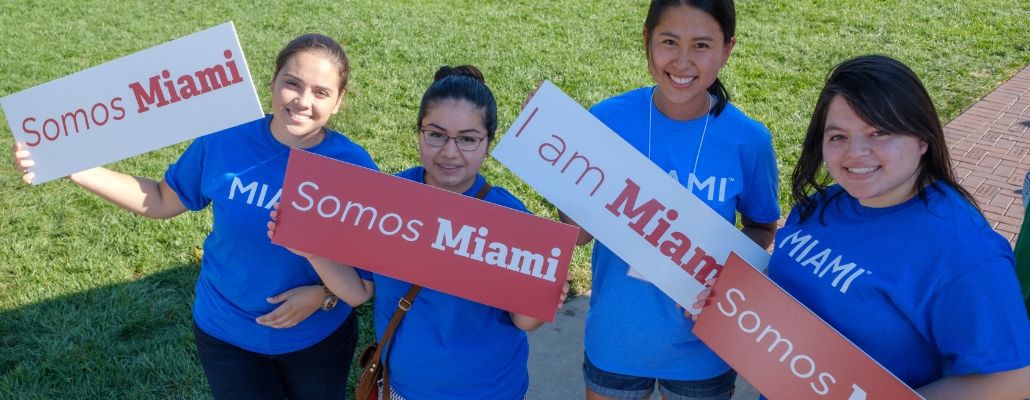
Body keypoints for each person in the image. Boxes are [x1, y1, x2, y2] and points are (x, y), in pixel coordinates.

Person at [13, 34, 377, 400]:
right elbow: (158, 200)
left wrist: (324, 295)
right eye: (292, 83)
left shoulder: (354, 167)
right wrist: (75, 167)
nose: (302, 101)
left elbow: (369, 277)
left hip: (315, 338)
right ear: (273, 82)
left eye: (321, 92)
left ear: (339, 101)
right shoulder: (226, 139)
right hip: (225, 333)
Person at [268, 65, 566, 400]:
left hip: (491, 391)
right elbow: (357, 292)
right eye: (436, 134)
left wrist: (546, 294)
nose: (450, 152)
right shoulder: (388, 199)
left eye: (468, 139)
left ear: (488, 143)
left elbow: (525, 322)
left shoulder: (509, 217)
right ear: (418, 132)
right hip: (404, 389)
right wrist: (310, 250)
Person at [756, 54, 1030, 399]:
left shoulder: (963, 252)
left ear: (923, 139)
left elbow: (1014, 378)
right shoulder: (824, 203)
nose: (855, 153)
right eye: (838, 136)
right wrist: (732, 304)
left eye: (880, 131)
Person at [559, 1, 781, 399]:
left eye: (701, 45)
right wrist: (555, 159)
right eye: (669, 41)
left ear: (727, 49)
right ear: (646, 40)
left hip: (704, 346)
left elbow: (762, 226)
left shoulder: (748, 141)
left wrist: (729, 272)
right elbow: (577, 236)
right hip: (617, 338)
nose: (682, 61)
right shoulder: (607, 121)